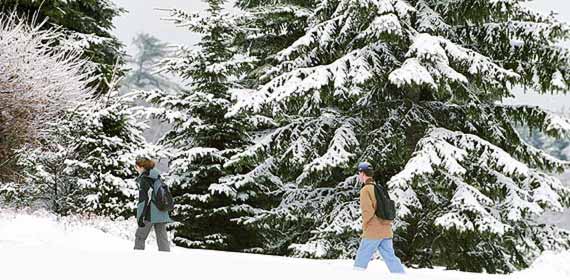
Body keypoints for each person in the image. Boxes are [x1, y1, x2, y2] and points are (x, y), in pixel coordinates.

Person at [353, 162, 405, 273]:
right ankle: (400, 275)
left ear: (362, 173)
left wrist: (365, 226)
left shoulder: (365, 190)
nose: (358, 175)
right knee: (390, 257)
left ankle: (356, 276)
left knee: (362, 255)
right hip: (386, 228)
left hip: (373, 229)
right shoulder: (379, 188)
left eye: (359, 173)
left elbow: (367, 211)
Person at [133, 156, 172, 252]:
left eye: (136, 167)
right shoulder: (157, 177)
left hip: (150, 213)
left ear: (142, 167)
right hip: (162, 211)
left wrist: (140, 217)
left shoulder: (145, 179)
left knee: (140, 237)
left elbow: (143, 200)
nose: (136, 169)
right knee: (162, 239)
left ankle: (136, 259)